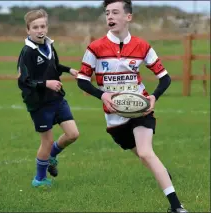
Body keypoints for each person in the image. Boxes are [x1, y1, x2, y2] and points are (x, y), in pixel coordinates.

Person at [77, 1, 188, 212]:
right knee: (145, 156)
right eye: (107, 13)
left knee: (146, 153)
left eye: (115, 12)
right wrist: (103, 95)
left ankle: (176, 206)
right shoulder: (95, 48)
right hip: (114, 119)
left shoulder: (142, 46)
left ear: (128, 17)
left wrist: (153, 97)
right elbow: (82, 80)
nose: (110, 16)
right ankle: (162, 172)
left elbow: (165, 78)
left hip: (141, 109)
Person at [17, 9, 79, 187]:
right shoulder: (27, 52)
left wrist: (69, 70)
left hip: (56, 98)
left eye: (42, 26)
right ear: (28, 30)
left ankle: (52, 155)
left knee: (73, 134)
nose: (40, 30)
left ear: (47, 27)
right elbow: (24, 81)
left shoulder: (49, 45)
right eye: (35, 27)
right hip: (39, 103)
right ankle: (40, 179)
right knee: (47, 140)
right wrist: (46, 84)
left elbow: (54, 66)